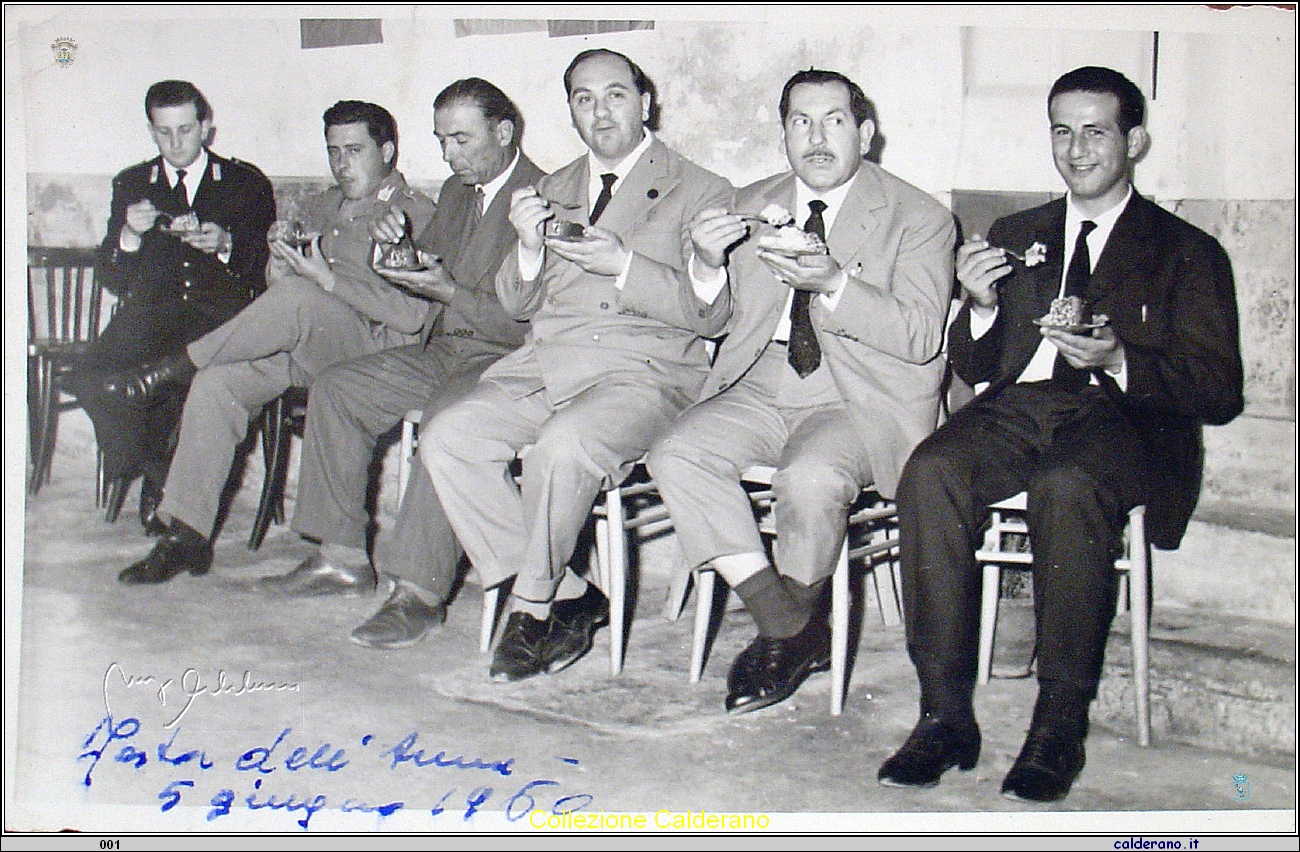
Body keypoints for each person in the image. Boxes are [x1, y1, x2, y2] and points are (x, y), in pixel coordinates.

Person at [877, 66, 1244, 803]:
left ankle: (1058, 726)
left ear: (1133, 140)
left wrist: (1119, 358)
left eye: (1096, 131)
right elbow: (978, 364)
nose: (1076, 149)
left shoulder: (1187, 249)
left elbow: (1218, 391)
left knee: (1066, 484)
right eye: (1061, 130)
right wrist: (977, 306)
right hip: (1020, 409)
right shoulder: (1020, 234)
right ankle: (944, 716)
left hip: (1124, 419)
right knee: (929, 470)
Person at [646, 69, 955, 715]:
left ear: (865, 133)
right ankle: (789, 622)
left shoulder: (920, 216)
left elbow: (923, 335)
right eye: (800, 122)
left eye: (834, 121)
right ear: (783, 133)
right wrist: (704, 266)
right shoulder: (747, 202)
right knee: (674, 453)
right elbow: (708, 317)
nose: (816, 137)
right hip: (759, 380)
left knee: (810, 478)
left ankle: (785, 631)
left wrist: (836, 283)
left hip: (858, 392)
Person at [421, 48, 732, 682]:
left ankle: (535, 610)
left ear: (645, 103)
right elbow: (515, 301)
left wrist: (623, 266)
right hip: (545, 363)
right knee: (448, 436)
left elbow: (712, 317)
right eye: (583, 99)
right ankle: (571, 593)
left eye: (615, 94)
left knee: (561, 447)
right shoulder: (550, 188)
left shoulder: (702, 189)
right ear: (569, 111)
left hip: (644, 372)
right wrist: (530, 251)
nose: (600, 111)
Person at [256, 79, 544, 652]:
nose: (448, 155)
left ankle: (417, 591)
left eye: (461, 140)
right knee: (338, 388)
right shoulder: (462, 190)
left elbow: (526, 321)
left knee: (447, 421)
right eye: (442, 141)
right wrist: (398, 247)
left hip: (509, 359)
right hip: (446, 348)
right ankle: (341, 557)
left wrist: (443, 289)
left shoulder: (542, 198)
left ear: (504, 133)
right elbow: (422, 270)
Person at [115, 100, 436, 585]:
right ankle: (186, 536)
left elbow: (411, 317)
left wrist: (324, 280)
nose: (341, 163)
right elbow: (279, 291)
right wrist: (278, 259)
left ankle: (170, 368)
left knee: (298, 299)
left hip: (376, 355)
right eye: (333, 151)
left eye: (354, 150)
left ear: (387, 151)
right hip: (311, 347)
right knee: (218, 385)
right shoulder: (324, 204)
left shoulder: (413, 214)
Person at [67, 80, 276, 533]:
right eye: (164, 133)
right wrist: (130, 235)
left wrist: (227, 246)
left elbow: (268, 270)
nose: (176, 143)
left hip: (218, 321)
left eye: (185, 130)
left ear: (206, 128)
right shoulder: (132, 183)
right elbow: (112, 276)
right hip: (148, 317)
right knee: (87, 376)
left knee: (174, 383)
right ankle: (160, 473)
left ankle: (163, 487)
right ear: (151, 130)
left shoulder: (244, 182)